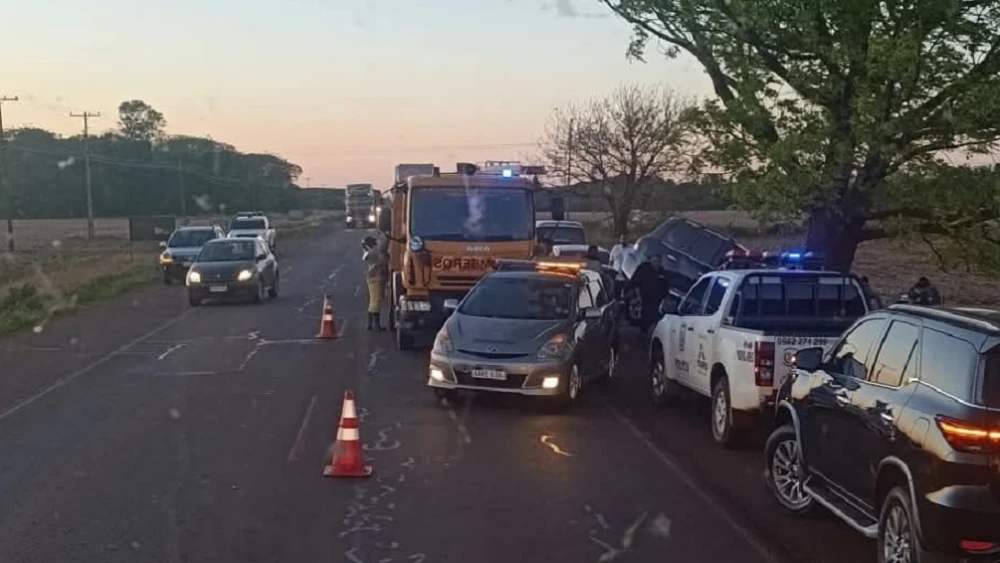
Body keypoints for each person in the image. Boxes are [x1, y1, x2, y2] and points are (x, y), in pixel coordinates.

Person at [624, 254, 669, 332]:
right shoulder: (644, 270)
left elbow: (665, 287)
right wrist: (638, 297)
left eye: (658, 262)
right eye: (654, 261)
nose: (656, 264)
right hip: (644, 299)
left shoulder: (662, 273)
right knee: (644, 319)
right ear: (651, 261)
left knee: (652, 318)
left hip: (656, 301)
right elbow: (636, 284)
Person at [363, 236, 388, 331]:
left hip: (374, 278)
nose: (377, 245)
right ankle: (376, 325)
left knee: (373, 300)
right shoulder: (373, 253)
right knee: (376, 301)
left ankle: (370, 324)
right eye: (375, 243)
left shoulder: (369, 253)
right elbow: (383, 260)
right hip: (376, 278)